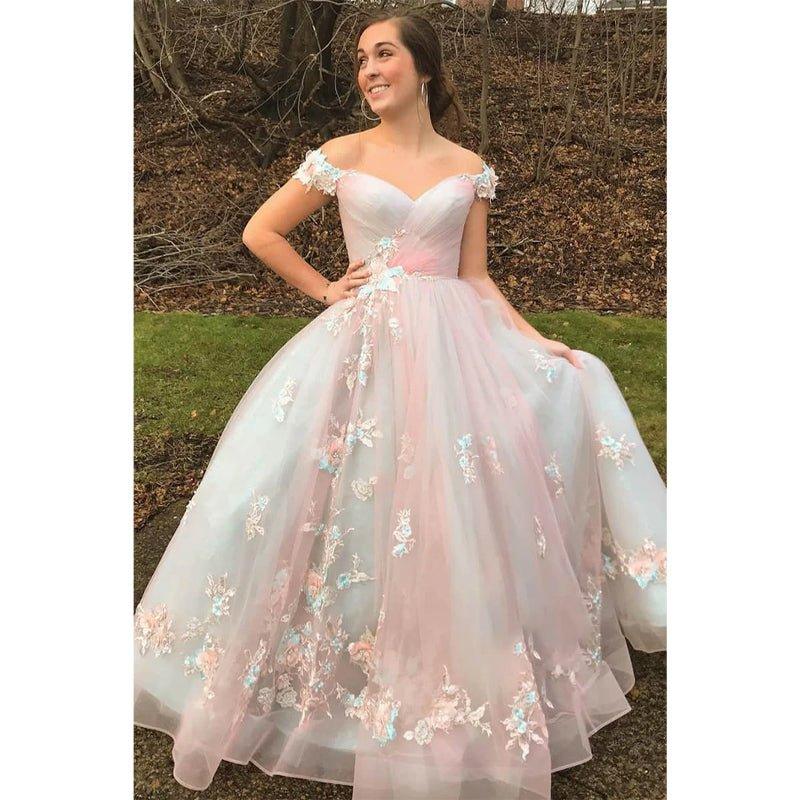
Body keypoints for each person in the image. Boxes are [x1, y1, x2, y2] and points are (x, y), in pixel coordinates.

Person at [133, 11, 666, 800]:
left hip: (454, 348)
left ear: (424, 68)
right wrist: (325, 288)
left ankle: (445, 659)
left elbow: (475, 276)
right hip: (363, 344)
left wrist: (535, 340)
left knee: (455, 497)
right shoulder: (344, 155)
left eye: (384, 54)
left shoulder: (469, 167)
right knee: (333, 495)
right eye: (360, 58)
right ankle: (330, 654)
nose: (368, 69)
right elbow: (260, 232)